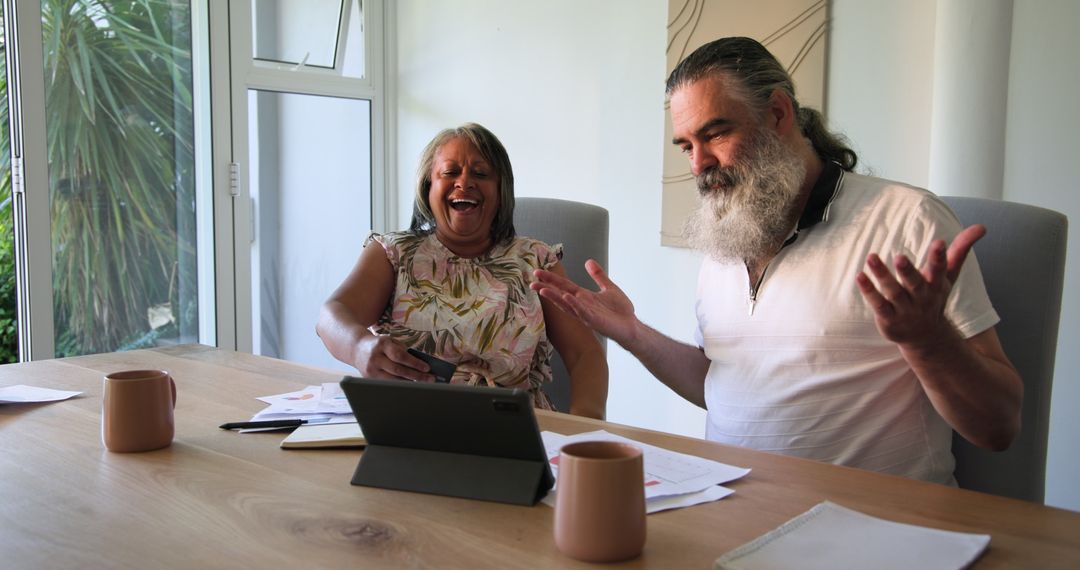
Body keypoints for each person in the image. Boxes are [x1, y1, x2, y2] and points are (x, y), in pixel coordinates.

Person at [532, 37, 1022, 484]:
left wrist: (929, 342)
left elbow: (999, 427)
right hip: (728, 508)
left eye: (716, 134)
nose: (698, 164)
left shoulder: (906, 220)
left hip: (873, 527)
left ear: (779, 114)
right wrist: (634, 334)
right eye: (686, 146)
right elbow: (721, 384)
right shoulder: (728, 232)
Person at [317, 122, 608, 419]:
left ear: (500, 192)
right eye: (450, 172)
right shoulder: (393, 254)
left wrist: (584, 427)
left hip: (514, 428)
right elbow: (332, 315)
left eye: (481, 174)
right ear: (428, 186)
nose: (465, 182)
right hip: (410, 422)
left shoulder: (536, 261)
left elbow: (585, 354)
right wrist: (358, 347)